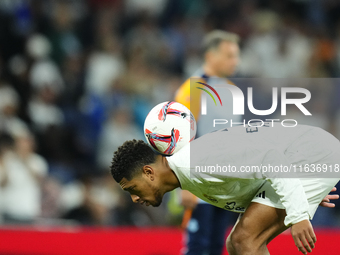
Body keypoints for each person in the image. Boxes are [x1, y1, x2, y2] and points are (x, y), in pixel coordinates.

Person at [110, 123, 340, 255]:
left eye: (132, 188)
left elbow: (271, 157)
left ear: (149, 172)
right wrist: (297, 188)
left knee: (244, 240)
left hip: (311, 154)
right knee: (235, 243)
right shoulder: (187, 171)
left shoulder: (197, 164)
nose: (134, 198)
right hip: (301, 157)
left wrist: (298, 213)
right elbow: (256, 165)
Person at [174, 30, 241, 255]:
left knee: (215, 247)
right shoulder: (194, 88)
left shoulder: (231, 90)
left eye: (236, 55)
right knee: (197, 247)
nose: (235, 61)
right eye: (229, 56)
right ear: (211, 56)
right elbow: (180, 136)